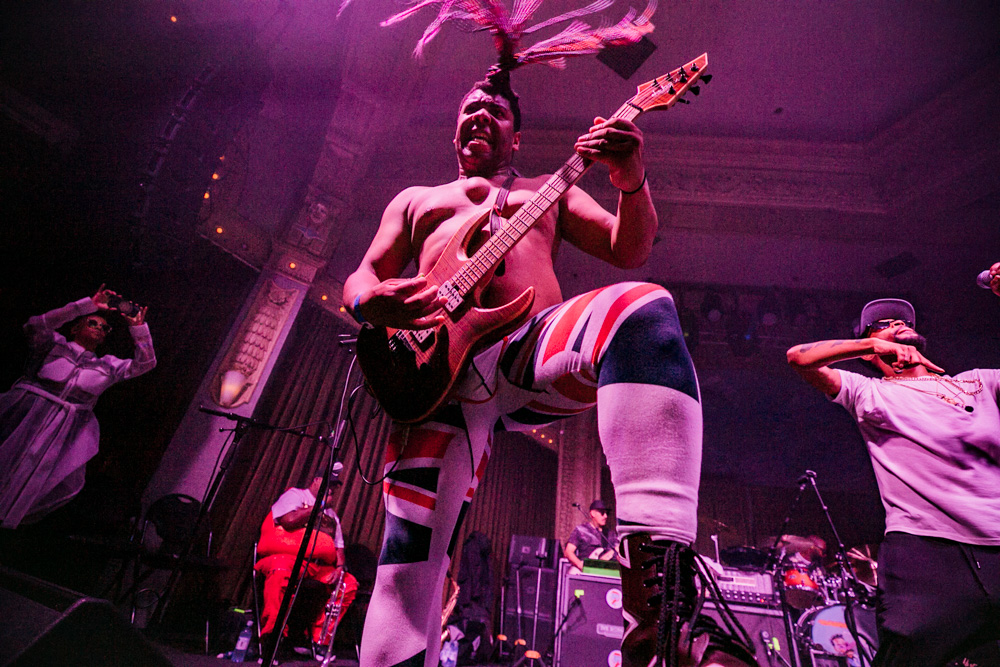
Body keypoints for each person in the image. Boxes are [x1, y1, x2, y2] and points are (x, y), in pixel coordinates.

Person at [344, 71, 755, 667]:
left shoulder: (549, 190)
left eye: (497, 110)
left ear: (516, 138)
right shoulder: (414, 200)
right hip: (433, 375)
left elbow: (629, 248)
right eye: (470, 106)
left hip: (527, 350)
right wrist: (369, 301)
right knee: (406, 574)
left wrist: (630, 178)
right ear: (455, 130)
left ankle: (660, 619)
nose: (480, 113)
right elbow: (365, 273)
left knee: (643, 310)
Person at [786, 277, 1000, 666]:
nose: (897, 324)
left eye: (902, 321)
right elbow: (799, 357)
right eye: (882, 324)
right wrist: (870, 345)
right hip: (926, 549)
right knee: (908, 654)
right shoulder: (869, 392)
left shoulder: (979, 382)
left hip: (997, 541)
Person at [0, 287, 155, 529]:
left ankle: (8, 521)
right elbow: (35, 324)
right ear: (75, 328)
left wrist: (138, 328)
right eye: (92, 323)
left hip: (61, 429)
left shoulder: (107, 366)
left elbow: (145, 363)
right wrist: (86, 306)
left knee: (35, 474)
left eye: (105, 328)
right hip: (26, 415)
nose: (99, 328)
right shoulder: (53, 344)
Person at [255, 464, 358, 654]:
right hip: (289, 559)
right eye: (328, 483)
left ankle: (320, 640)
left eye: (334, 486)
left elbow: (339, 547)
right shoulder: (296, 496)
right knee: (280, 572)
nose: (331, 489)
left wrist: (340, 568)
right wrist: (319, 505)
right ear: (316, 480)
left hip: (318, 567)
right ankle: (273, 638)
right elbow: (288, 521)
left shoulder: (332, 516)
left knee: (347, 584)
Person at [565, 500, 618, 570]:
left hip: (605, 571)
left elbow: (618, 553)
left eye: (607, 513)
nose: (605, 516)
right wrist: (580, 564)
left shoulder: (611, 534)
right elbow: (568, 552)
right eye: (602, 513)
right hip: (585, 571)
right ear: (593, 513)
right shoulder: (581, 530)